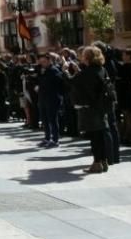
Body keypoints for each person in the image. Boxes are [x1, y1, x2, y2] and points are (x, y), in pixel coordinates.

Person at [70, 46, 112, 174]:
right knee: (100, 135)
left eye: (83, 55)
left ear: (87, 58)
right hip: (102, 107)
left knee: (95, 137)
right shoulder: (102, 69)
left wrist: (66, 71)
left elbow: (72, 82)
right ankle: (103, 161)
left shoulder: (88, 72)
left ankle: (97, 163)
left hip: (91, 108)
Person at [36, 53, 66, 148]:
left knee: (52, 119)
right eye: (41, 62)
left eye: (44, 62)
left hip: (52, 98)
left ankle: (55, 139)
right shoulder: (42, 70)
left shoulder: (54, 70)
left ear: (49, 61)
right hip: (43, 97)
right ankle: (47, 138)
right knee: (44, 119)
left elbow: (57, 83)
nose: (42, 64)